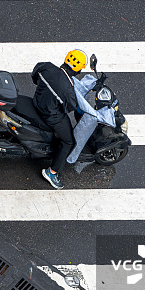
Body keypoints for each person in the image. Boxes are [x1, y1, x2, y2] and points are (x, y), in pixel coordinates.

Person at [32, 49, 88, 189]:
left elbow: (34, 76)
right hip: (50, 116)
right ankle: (52, 172)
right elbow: (70, 108)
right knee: (68, 141)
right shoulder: (68, 89)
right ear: (78, 69)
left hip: (36, 103)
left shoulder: (47, 67)